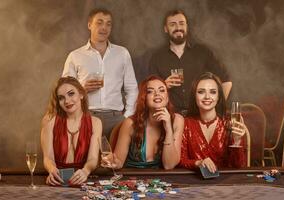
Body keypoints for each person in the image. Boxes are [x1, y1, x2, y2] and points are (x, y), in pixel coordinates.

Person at [62, 8, 138, 138]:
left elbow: (132, 88)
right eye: (99, 22)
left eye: (108, 24)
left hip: (116, 119)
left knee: (115, 158)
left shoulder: (122, 53)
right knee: (87, 158)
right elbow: (63, 92)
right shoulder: (75, 56)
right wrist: (81, 89)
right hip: (86, 116)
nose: (104, 27)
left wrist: (126, 117)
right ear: (89, 25)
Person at [149, 9, 232, 115]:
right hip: (171, 116)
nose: (178, 28)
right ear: (166, 29)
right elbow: (149, 91)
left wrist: (217, 107)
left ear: (186, 26)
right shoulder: (157, 57)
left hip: (199, 115)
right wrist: (163, 86)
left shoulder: (203, 52)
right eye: (173, 24)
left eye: (181, 23)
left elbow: (226, 80)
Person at [102, 75, 184, 169]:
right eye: (150, 91)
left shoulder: (177, 121)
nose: (157, 93)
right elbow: (119, 161)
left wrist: (168, 129)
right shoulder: (130, 123)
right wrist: (113, 162)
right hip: (133, 178)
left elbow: (169, 165)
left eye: (162, 90)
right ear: (144, 98)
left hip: (161, 180)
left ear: (167, 97)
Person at [179, 72, 247, 173]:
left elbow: (239, 166)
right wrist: (198, 163)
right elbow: (180, 160)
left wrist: (237, 141)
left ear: (218, 97)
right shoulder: (186, 124)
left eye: (213, 92)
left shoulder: (230, 124)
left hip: (224, 184)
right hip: (195, 183)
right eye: (201, 92)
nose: (207, 96)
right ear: (194, 96)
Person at [41, 76, 102, 186]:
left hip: (82, 179)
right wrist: (52, 170)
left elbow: (93, 158)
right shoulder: (49, 120)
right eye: (61, 98)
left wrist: (85, 171)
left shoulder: (96, 122)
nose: (67, 101)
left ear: (81, 94)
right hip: (57, 180)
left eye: (71, 94)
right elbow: (48, 158)